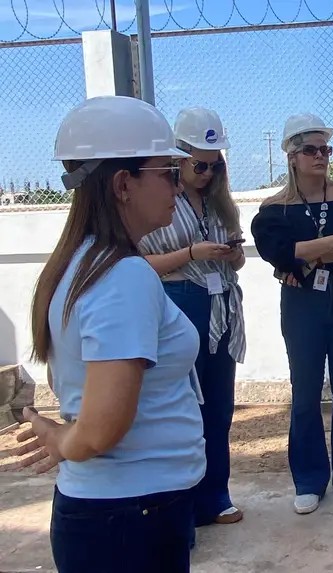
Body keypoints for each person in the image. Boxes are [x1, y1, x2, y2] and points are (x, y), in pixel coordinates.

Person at [7, 96, 205, 572]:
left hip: (119, 512)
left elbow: (74, 386)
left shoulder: (82, 265)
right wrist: (63, 442)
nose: (177, 189)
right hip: (131, 517)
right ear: (123, 184)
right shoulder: (124, 277)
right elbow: (101, 427)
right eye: (167, 173)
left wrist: (70, 439)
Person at [251, 113, 333, 515]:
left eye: (325, 148)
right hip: (303, 303)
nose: (321, 155)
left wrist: (302, 254)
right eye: (311, 149)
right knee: (305, 391)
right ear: (291, 155)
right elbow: (275, 251)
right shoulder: (274, 207)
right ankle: (308, 479)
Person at [138, 106, 246, 527]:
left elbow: (233, 266)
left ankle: (214, 497)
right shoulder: (160, 202)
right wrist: (189, 255)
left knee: (218, 407)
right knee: (183, 407)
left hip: (220, 306)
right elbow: (136, 262)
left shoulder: (219, 203)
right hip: (179, 301)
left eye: (214, 165)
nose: (207, 172)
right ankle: (179, 506)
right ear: (177, 158)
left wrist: (233, 254)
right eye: (199, 164)